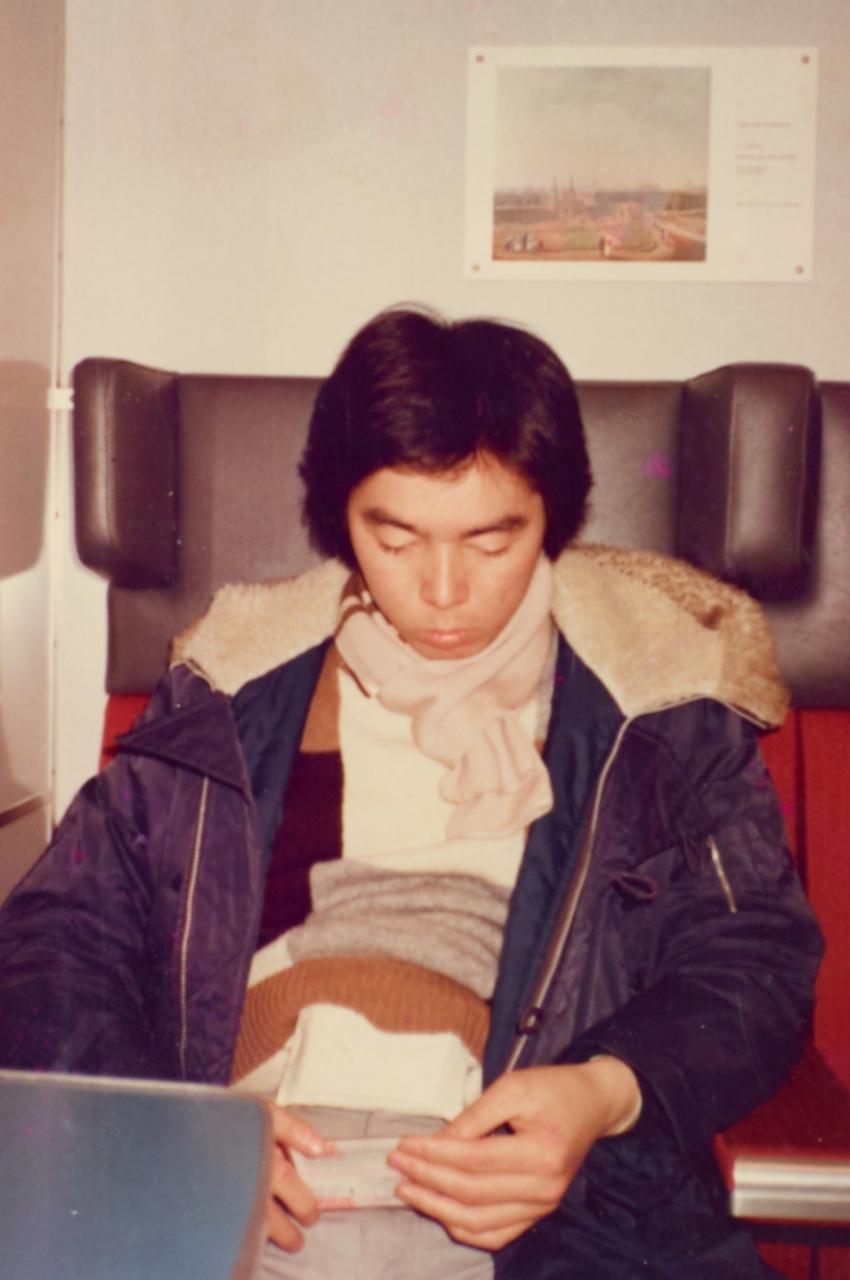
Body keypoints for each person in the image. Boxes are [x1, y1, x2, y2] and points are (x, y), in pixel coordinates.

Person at [0, 306, 822, 1279]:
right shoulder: (230, 688)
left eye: (490, 541)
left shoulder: (659, 709)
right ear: (341, 518)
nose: (442, 591)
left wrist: (605, 1091)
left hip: (542, 1203)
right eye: (394, 538)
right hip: (242, 1169)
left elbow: (751, 958)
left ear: (551, 518)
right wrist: (177, 1125)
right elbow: (58, 932)